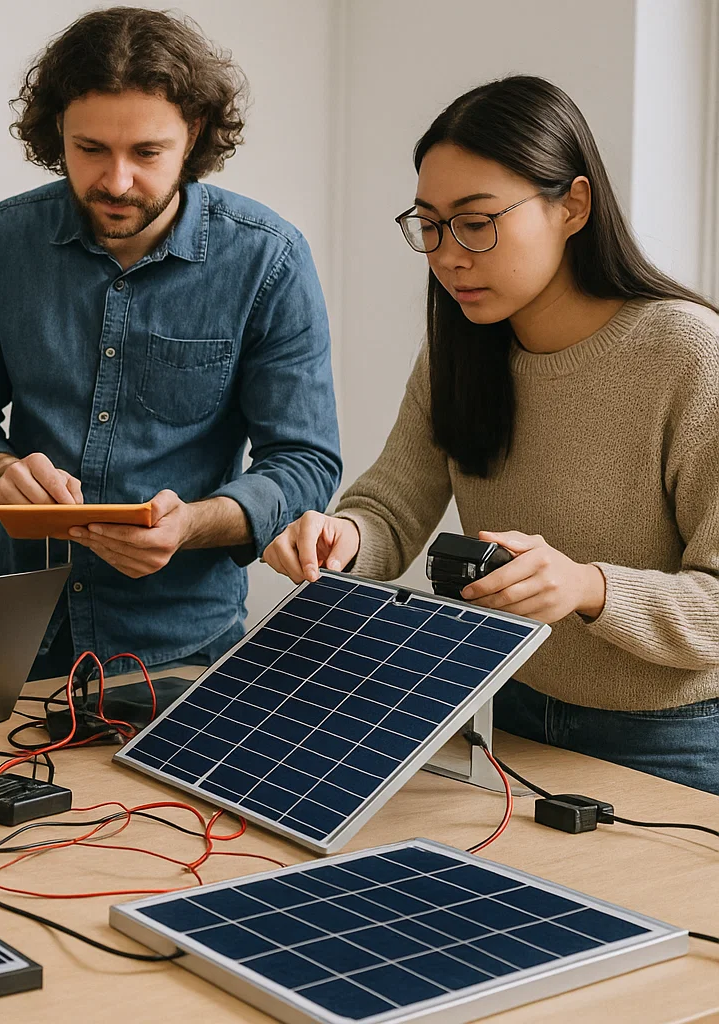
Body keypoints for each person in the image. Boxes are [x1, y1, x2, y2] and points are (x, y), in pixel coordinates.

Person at [263, 76, 719, 793]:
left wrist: (588, 586)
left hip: (666, 737)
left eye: (476, 223)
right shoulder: (460, 349)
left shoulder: (690, 355)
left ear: (573, 206)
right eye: (429, 225)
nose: (448, 255)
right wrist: (342, 538)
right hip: (497, 706)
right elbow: (390, 510)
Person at [0, 7, 341, 679]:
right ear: (59, 130)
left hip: (182, 651)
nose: (116, 182)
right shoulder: (1, 242)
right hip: (15, 638)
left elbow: (305, 463)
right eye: (90, 149)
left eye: (146, 153)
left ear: (193, 132)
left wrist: (192, 524)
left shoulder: (268, 260)